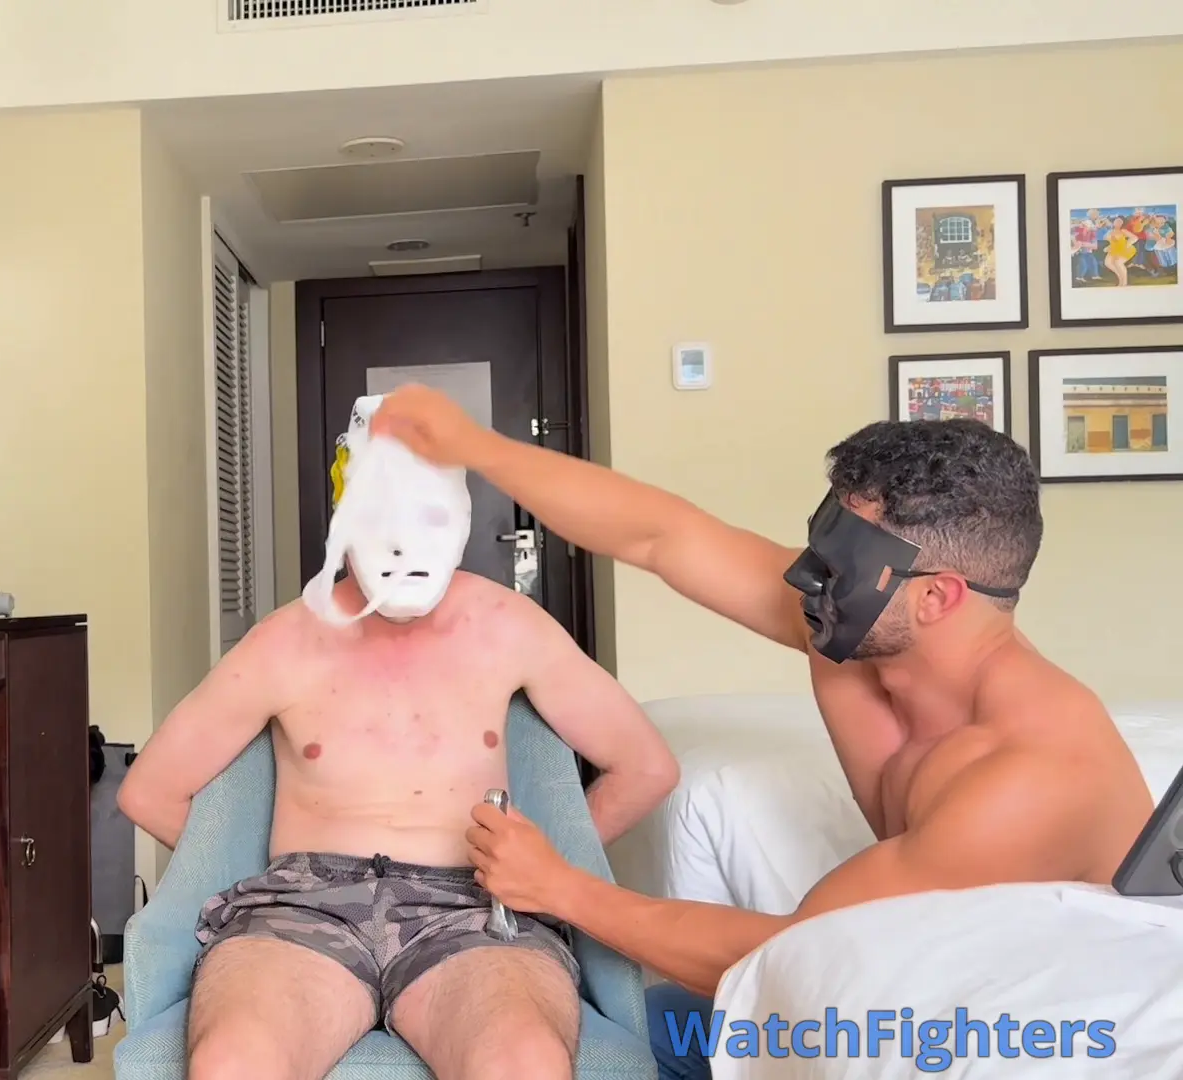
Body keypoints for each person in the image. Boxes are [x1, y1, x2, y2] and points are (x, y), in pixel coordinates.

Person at [370, 385, 1154, 1080]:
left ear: (938, 597)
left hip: (1034, 1032)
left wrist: (560, 888)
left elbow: (797, 954)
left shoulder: (1030, 775)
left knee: (640, 1034)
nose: (808, 576)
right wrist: (475, 446)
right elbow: (660, 537)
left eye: (839, 566)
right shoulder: (861, 631)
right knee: (625, 1025)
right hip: (915, 976)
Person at [118, 398, 679, 1080]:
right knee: (235, 1062)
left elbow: (644, 766)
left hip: (473, 909)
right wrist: (237, 864)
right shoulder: (285, 641)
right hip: (303, 905)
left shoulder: (509, 626)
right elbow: (149, 791)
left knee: (523, 1062)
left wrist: (548, 867)